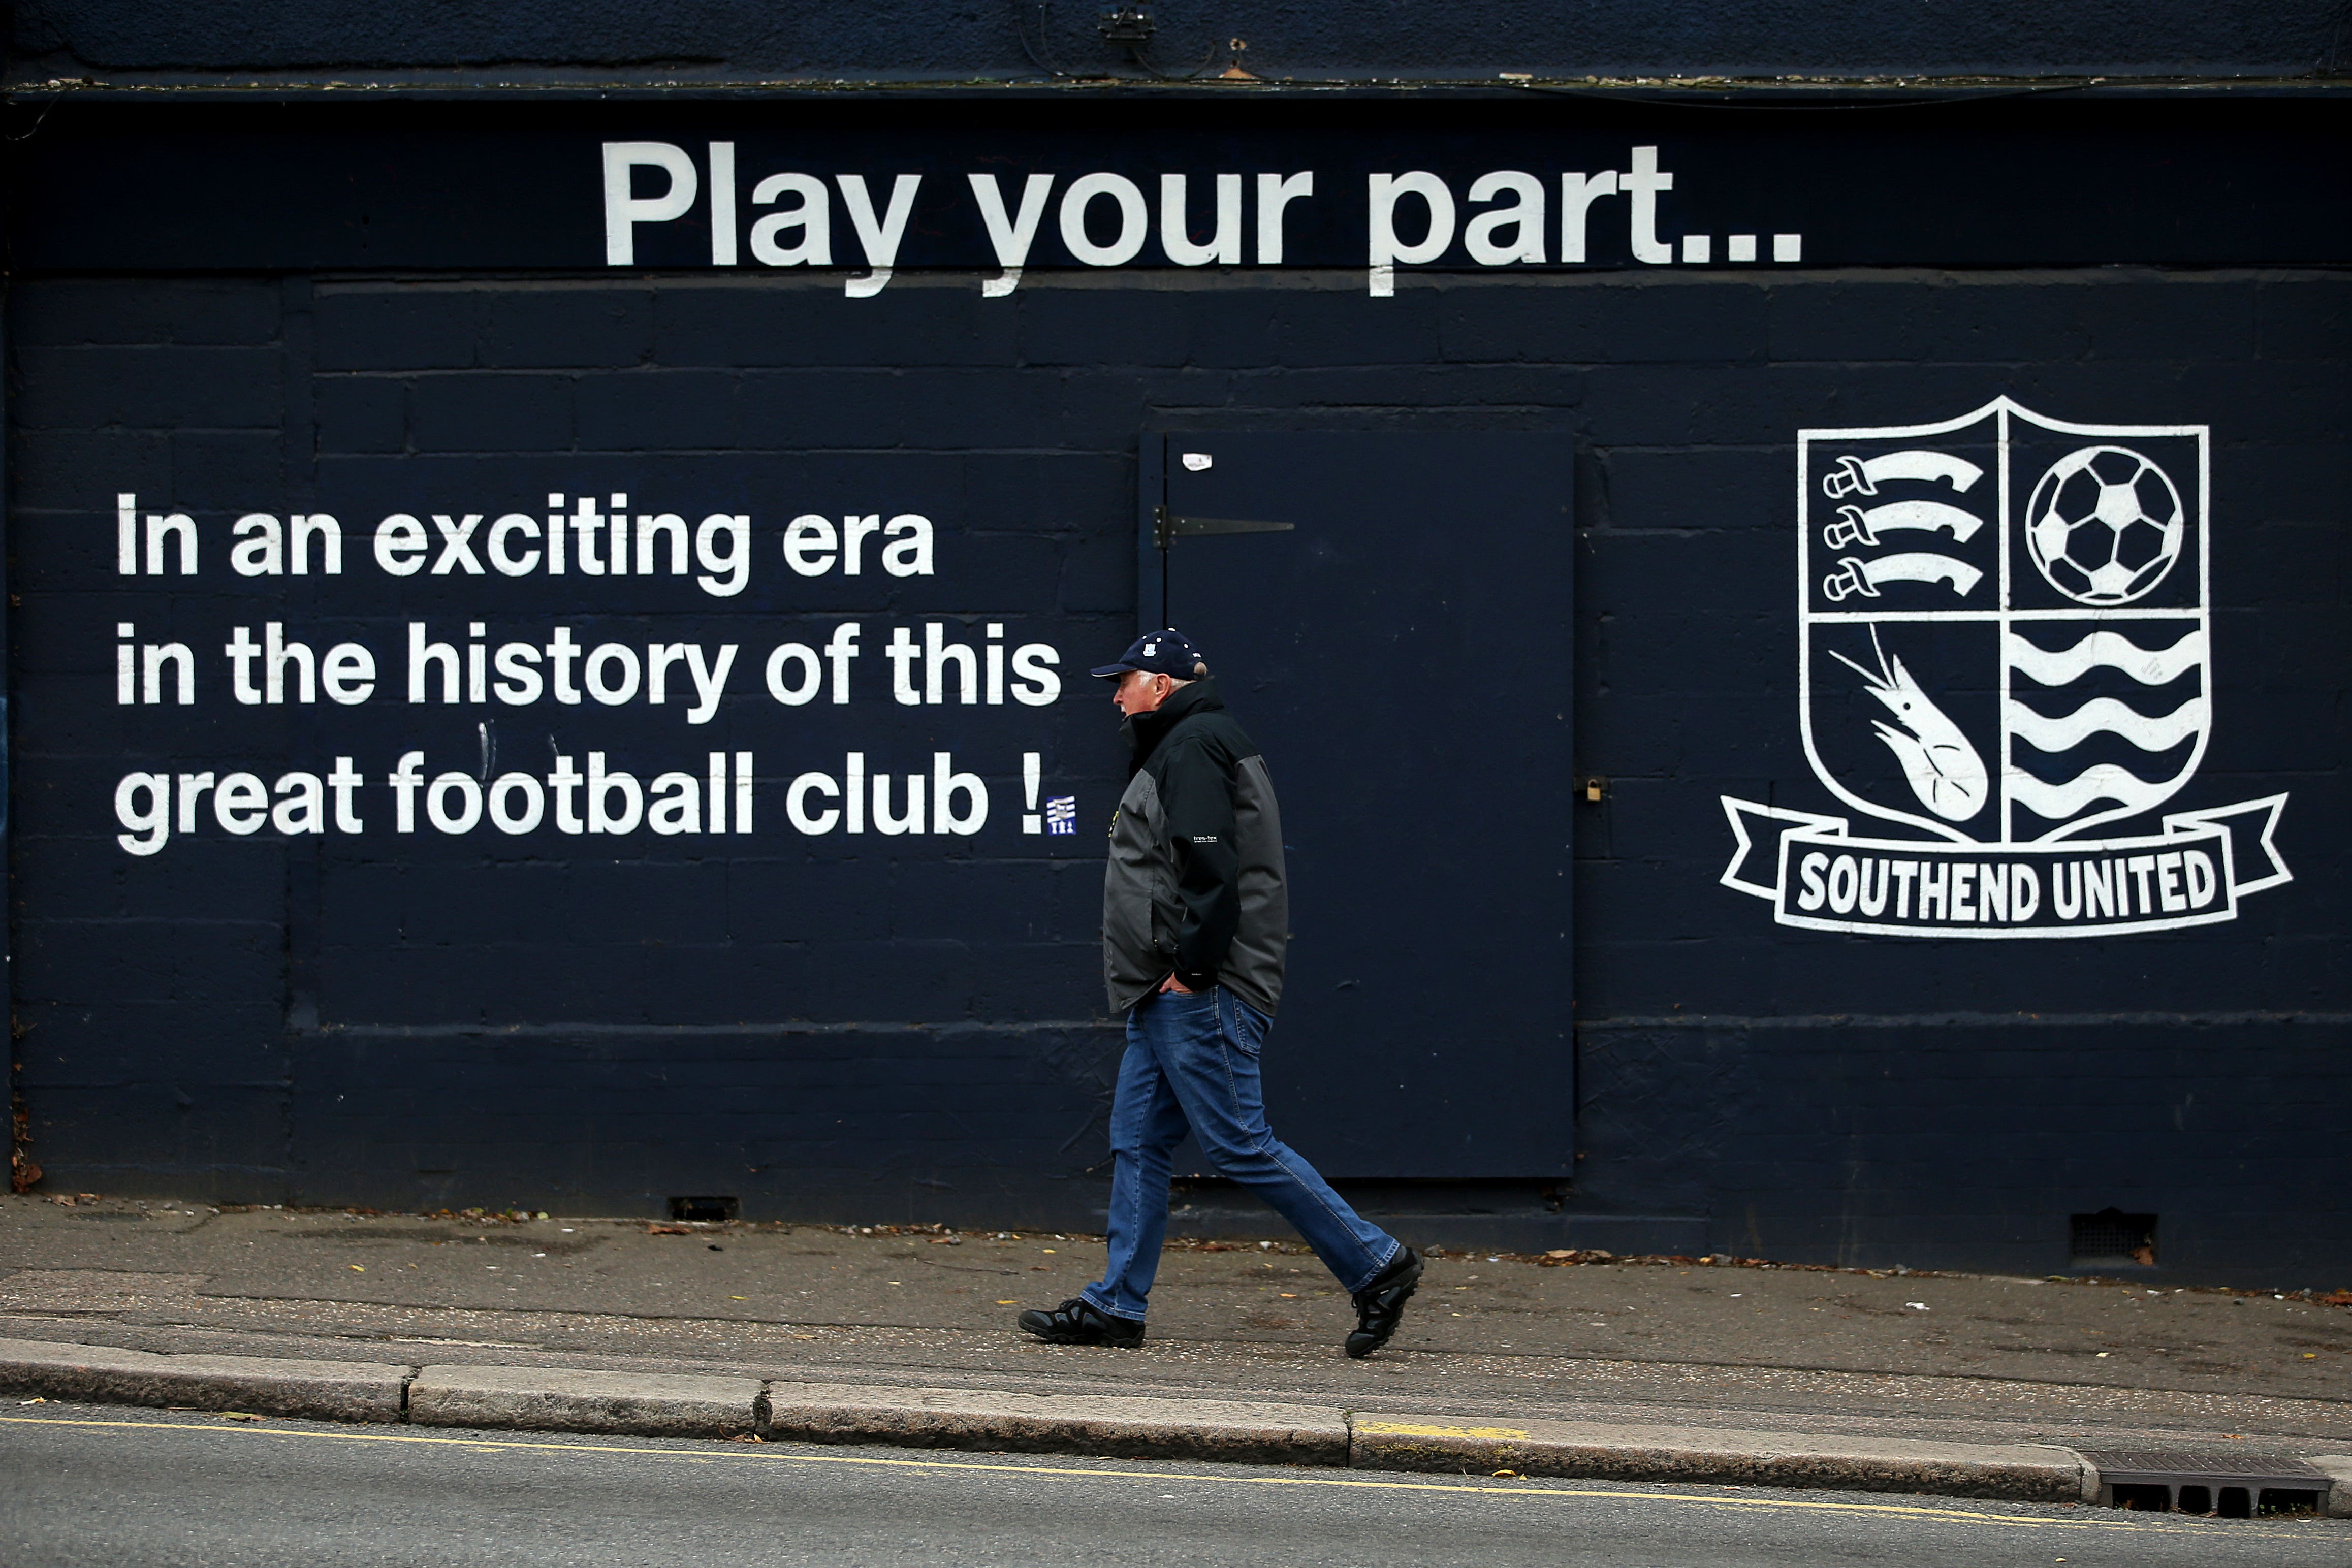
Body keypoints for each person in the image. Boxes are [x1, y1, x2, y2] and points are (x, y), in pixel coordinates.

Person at [1016, 630, 1423, 1358]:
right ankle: (1115, 1305)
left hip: (1199, 988)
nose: (1115, 695)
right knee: (1137, 1141)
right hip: (1164, 988)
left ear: (1162, 685)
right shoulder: (1189, 741)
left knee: (1239, 1141)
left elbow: (1212, 867)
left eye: (1125, 681)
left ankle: (1376, 1264)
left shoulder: (1194, 745)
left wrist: (1196, 970)